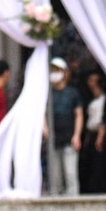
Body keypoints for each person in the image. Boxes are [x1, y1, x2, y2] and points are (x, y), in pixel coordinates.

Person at [45, 57, 81, 194]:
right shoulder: (48, 94)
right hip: (53, 141)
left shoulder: (72, 93)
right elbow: (42, 112)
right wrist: (45, 128)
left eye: (57, 70)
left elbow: (79, 115)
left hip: (69, 139)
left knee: (70, 174)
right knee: (55, 177)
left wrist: (77, 135)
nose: (54, 73)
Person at [78, 68, 106, 194]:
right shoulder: (90, 99)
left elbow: (104, 119)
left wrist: (100, 136)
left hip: (99, 133)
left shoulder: (104, 99)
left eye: (93, 80)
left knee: (100, 165)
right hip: (90, 134)